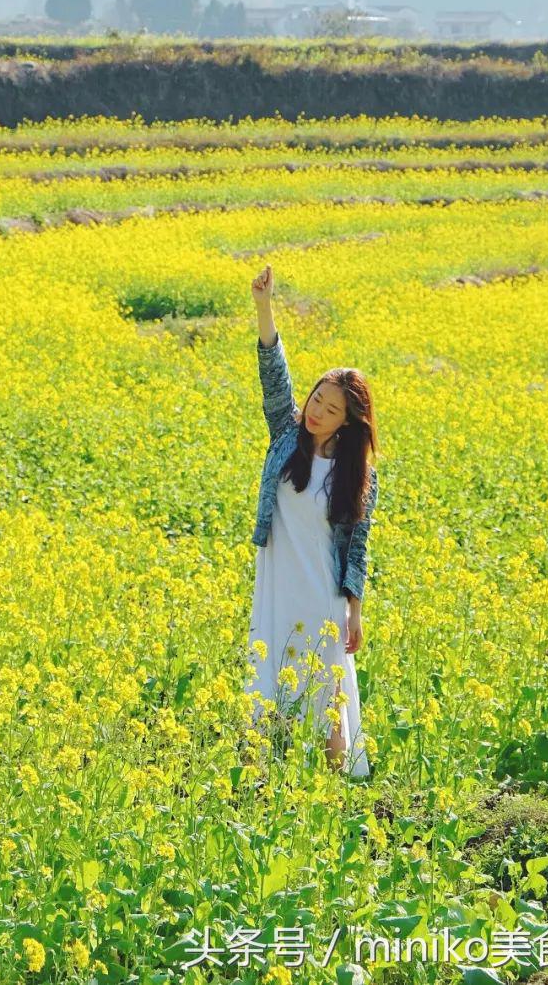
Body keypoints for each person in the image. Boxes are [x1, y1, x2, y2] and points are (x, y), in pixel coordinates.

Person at [245, 262, 379, 776]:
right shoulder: (286, 438)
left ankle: (335, 790)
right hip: (277, 583)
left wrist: (355, 610)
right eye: (316, 398)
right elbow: (273, 376)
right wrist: (264, 307)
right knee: (266, 679)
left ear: (348, 423)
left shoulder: (356, 475)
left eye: (329, 408)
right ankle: (257, 784)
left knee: (329, 695)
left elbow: (356, 546)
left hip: (321, 590)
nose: (315, 410)